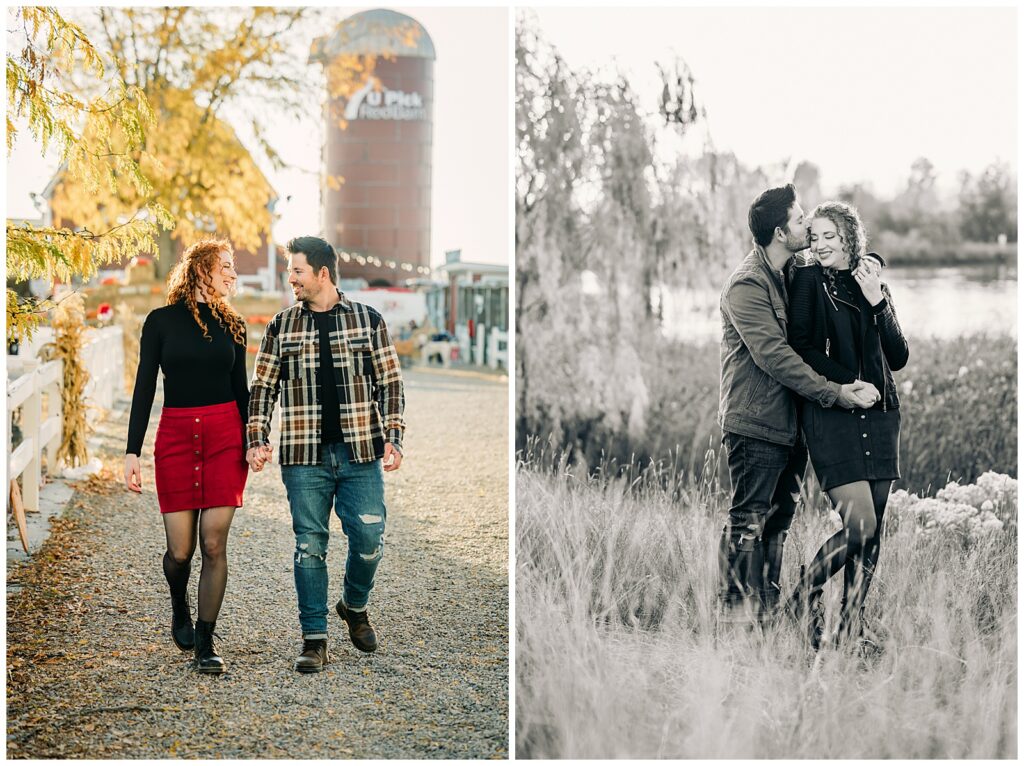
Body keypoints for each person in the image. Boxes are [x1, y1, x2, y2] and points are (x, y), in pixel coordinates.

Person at [718, 184, 878, 626]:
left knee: (778, 525)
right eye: (799, 218)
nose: (807, 223)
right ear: (779, 231)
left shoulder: (791, 271)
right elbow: (777, 358)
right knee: (748, 521)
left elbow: (845, 252)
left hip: (790, 425)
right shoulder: (747, 284)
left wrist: (873, 264)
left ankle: (766, 612)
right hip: (755, 423)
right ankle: (734, 616)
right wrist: (835, 392)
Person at [246, 236, 405, 673]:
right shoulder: (281, 326)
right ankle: (314, 640)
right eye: (289, 271)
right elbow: (262, 388)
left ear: (322, 273)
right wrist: (256, 440)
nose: (290, 278)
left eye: (297, 271)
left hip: (360, 453)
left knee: (370, 538)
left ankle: (354, 605)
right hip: (304, 457)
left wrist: (394, 435)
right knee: (309, 546)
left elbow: (390, 383)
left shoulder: (367, 320)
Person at [786, 202, 909, 650]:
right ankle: (803, 596)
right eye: (814, 236)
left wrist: (879, 301)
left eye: (828, 237)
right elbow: (800, 345)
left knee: (874, 532)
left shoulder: (872, 281)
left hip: (881, 414)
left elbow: (898, 356)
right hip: (833, 414)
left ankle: (851, 628)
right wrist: (846, 383)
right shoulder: (806, 280)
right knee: (859, 526)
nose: (818, 245)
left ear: (849, 238)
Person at [124, 239, 250, 674]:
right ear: (200, 270)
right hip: (176, 437)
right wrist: (131, 451)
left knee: (213, 542)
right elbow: (144, 388)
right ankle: (179, 603)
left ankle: (206, 641)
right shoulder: (159, 323)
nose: (233, 274)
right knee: (180, 552)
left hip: (225, 436)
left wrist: (256, 439)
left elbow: (241, 391)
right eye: (226, 266)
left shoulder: (234, 325)